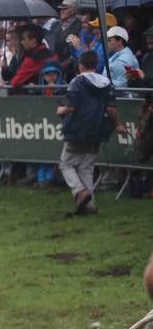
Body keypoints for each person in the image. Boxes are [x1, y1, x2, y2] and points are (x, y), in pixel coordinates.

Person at [56, 49, 126, 216]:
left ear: (80, 66)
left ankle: (80, 192)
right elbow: (111, 108)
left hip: (77, 129)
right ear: (96, 65)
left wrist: (61, 110)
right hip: (98, 130)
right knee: (86, 168)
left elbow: (72, 106)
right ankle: (90, 206)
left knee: (65, 164)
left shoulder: (77, 82)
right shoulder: (106, 83)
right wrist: (117, 125)